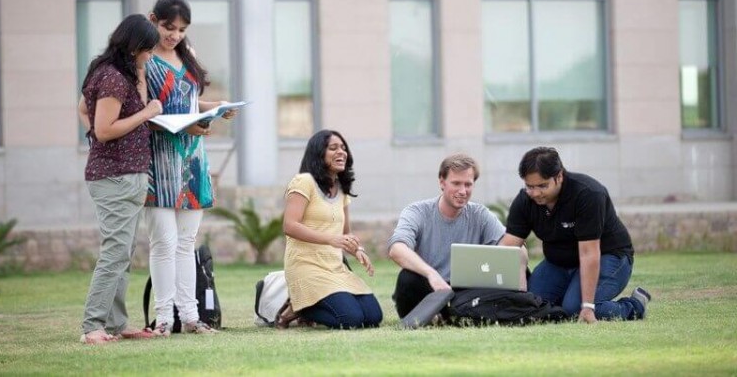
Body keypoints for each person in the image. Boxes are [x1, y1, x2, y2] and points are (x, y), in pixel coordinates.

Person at [144, 0, 236, 336]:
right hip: (159, 160)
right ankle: (164, 320)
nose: (175, 35)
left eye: (182, 29)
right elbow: (142, 112)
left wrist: (217, 106)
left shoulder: (187, 54)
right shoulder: (143, 58)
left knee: (186, 243)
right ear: (153, 19)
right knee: (163, 242)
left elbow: (186, 100)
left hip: (193, 158)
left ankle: (192, 318)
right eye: (169, 27)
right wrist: (187, 122)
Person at [78, 14, 163, 344]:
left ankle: (115, 323)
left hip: (126, 175)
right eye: (148, 50)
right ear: (134, 47)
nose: (151, 56)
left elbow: (84, 110)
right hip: (115, 176)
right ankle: (92, 325)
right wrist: (146, 114)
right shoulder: (113, 78)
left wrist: (140, 74)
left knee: (123, 252)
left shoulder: (116, 73)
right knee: (115, 252)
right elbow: (102, 128)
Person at [499, 146, 651, 323]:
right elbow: (509, 245)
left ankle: (634, 305)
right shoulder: (525, 200)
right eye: (529, 186)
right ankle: (572, 296)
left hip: (609, 257)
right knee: (532, 305)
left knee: (575, 309)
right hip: (560, 263)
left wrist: (587, 306)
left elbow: (589, 253)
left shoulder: (588, 194)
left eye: (542, 186)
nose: (535, 193)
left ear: (559, 176)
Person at [387, 153, 522, 319]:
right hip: (429, 289)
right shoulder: (417, 211)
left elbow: (511, 247)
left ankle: (454, 315)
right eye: (456, 183)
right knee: (407, 279)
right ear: (442, 182)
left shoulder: (480, 214)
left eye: (468, 184)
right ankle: (439, 315)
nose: (463, 191)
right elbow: (396, 249)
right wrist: (432, 274)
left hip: (464, 293)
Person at [279, 129, 383, 329]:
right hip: (306, 266)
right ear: (319, 153)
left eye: (343, 148)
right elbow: (289, 226)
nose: (341, 152)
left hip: (334, 267)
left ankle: (305, 306)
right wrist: (329, 239)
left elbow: (345, 234)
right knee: (350, 320)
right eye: (333, 148)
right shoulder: (304, 182)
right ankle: (299, 308)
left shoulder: (341, 189)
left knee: (372, 317)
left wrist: (358, 250)